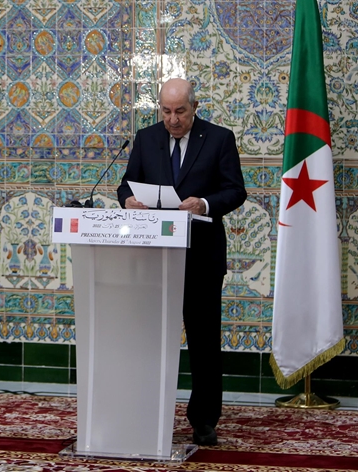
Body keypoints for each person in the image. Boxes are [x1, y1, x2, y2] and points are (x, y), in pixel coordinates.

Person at [117, 78, 246, 446]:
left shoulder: (219, 139)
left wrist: (204, 204)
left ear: (194, 108)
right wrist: (127, 200)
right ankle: (144, 413)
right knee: (149, 339)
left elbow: (236, 190)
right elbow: (126, 184)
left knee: (203, 343)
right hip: (152, 257)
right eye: (166, 111)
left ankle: (204, 420)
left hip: (201, 258)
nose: (172, 120)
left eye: (180, 112)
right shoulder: (146, 138)